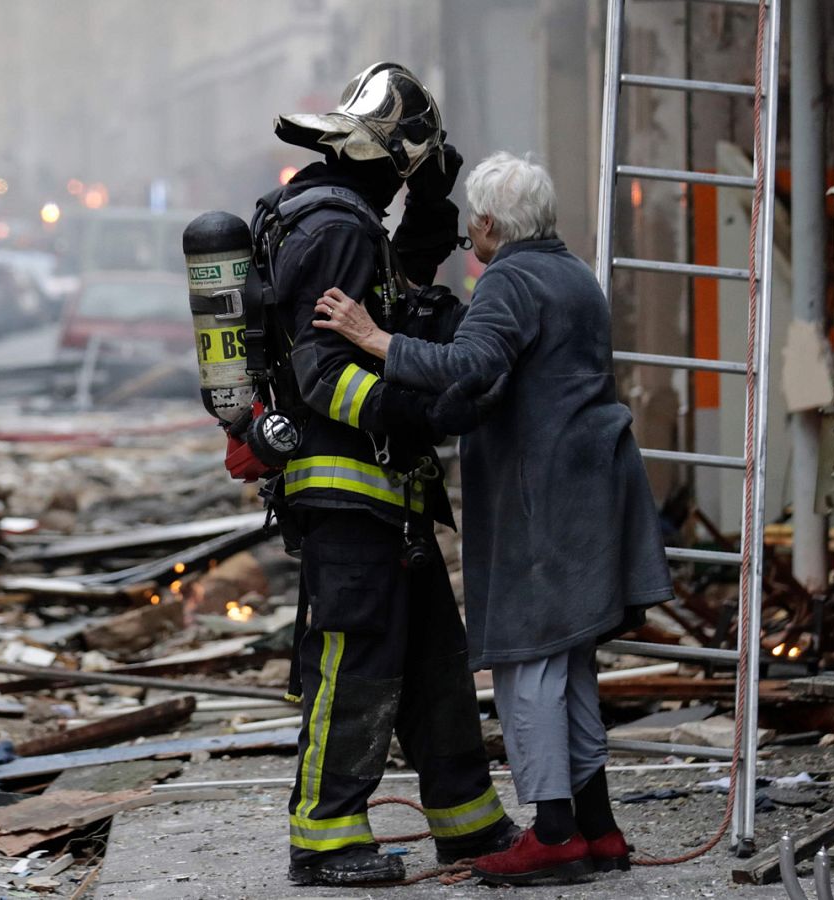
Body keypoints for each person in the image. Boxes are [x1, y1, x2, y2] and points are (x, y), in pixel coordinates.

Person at [312, 151, 674, 885]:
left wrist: (371, 337)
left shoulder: (509, 278)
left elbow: (469, 366)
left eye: (468, 224)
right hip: (591, 489)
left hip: (544, 499)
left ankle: (553, 834)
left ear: (484, 222)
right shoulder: (572, 272)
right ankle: (598, 830)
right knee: (570, 662)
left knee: (527, 663)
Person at [261, 63, 517, 887]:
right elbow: (321, 373)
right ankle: (325, 835)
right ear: (389, 157)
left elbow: (397, 295)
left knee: (437, 657)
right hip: (346, 489)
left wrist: (434, 214)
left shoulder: (344, 217)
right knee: (355, 659)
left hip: (386, 494)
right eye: (413, 168)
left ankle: (468, 822)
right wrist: (417, 411)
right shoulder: (335, 226)